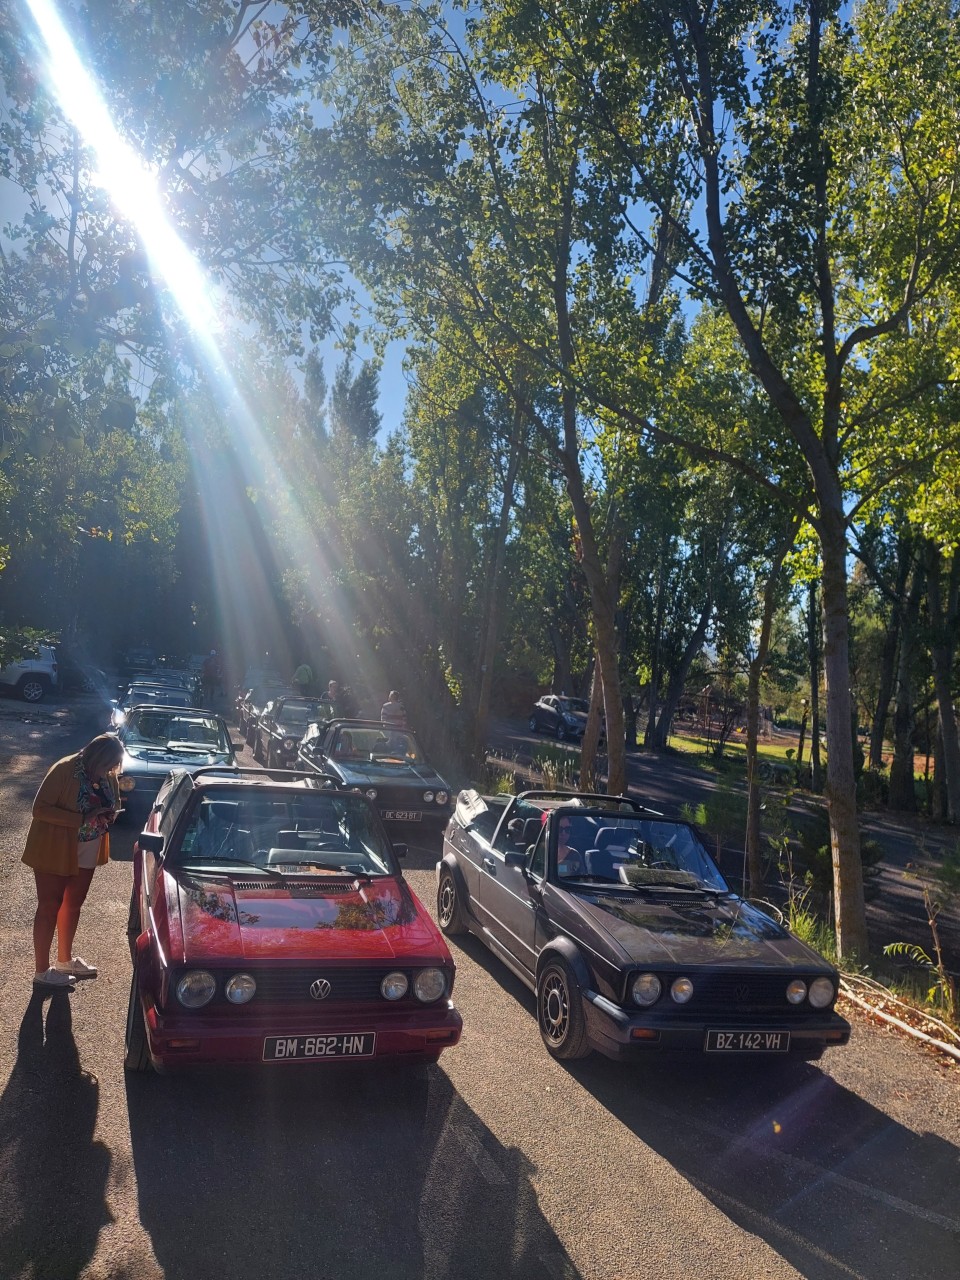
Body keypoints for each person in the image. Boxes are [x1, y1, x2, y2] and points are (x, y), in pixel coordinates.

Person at [21, 734, 124, 988]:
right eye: (109, 764)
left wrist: (109, 815)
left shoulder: (107, 775)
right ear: (96, 757)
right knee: (49, 905)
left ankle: (64, 961)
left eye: (114, 766)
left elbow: (114, 800)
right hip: (55, 844)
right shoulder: (64, 769)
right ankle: (42, 971)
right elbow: (39, 809)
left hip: (89, 844)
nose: (111, 770)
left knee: (73, 904)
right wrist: (82, 818)